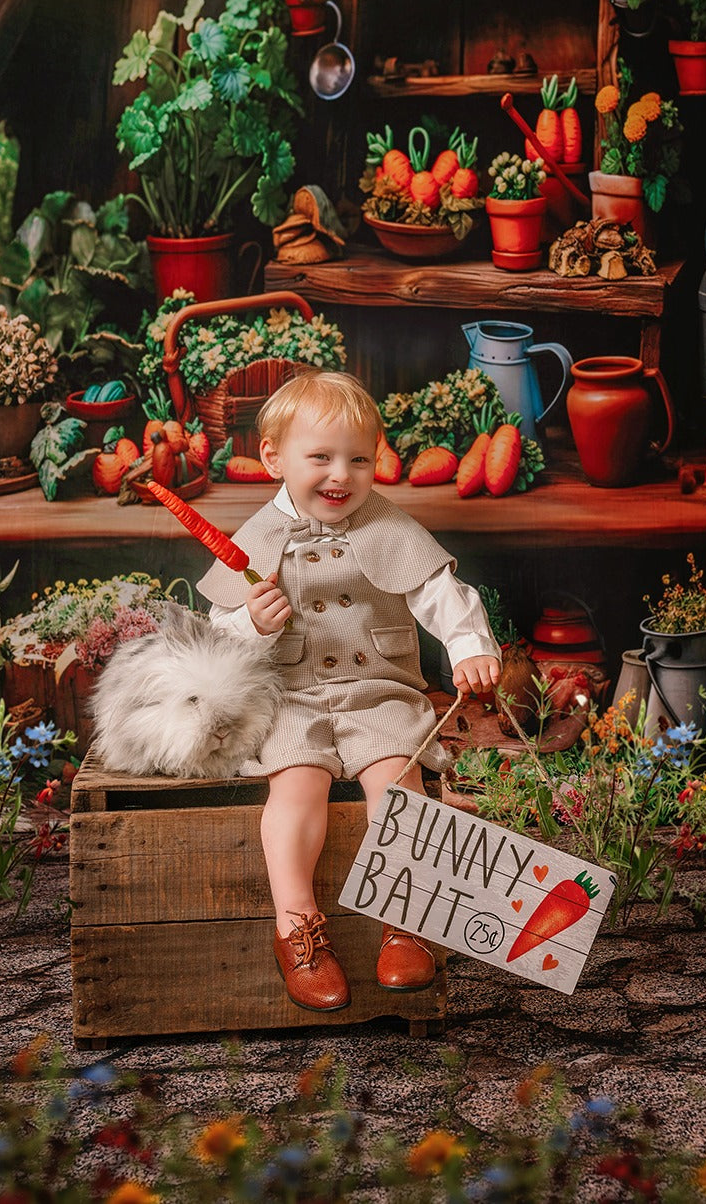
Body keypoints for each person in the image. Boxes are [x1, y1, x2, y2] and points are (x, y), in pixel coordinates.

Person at [199, 371, 501, 1012]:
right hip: (291, 693)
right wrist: (249, 623)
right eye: (321, 458)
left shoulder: (387, 525)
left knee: (398, 780)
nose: (341, 475)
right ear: (274, 456)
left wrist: (470, 645)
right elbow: (216, 636)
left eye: (358, 459)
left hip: (378, 687)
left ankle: (407, 920)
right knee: (296, 783)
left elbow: (439, 592)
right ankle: (298, 925)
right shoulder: (255, 539)